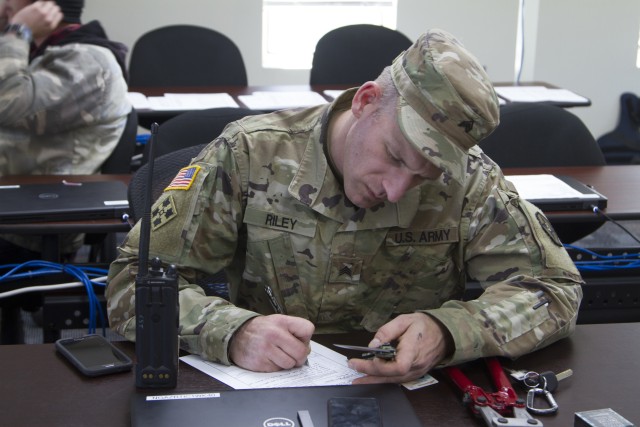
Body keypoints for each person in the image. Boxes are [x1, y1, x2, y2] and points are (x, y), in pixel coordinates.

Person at [106, 29, 583, 384]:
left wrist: (450, 329)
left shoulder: (470, 178)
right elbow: (132, 283)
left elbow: (555, 288)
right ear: (366, 101)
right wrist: (231, 331)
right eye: (395, 157)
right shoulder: (251, 154)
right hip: (269, 393)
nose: (397, 190)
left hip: (416, 399)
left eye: (424, 175)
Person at [0, 0, 131, 261]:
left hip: (29, 225)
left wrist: (16, 31)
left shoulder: (87, 61)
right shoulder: (39, 51)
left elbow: (7, 104)